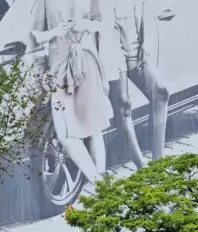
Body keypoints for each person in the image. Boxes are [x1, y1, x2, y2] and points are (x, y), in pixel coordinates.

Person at [32, 0, 113, 185]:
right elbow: (36, 35)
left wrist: (85, 24)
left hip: (86, 60)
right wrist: (54, 32)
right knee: (64, 134)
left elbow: (101, 23)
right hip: (59, 66)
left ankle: (102, 179)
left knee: (93, 124)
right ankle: (98, 181)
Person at [101, 1, 171, 168]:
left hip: (133, 35)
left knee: (160, 92)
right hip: (107, 38)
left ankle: (158, 166)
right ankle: (142, 168)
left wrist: (144, 38)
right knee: (123, 105)